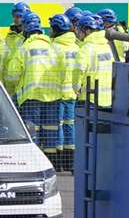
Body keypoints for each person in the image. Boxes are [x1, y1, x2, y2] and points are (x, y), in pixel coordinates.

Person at [13, 13, 64, 159]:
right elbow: (63, 71)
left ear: (26, 31)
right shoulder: (54, 48)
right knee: (51, 130)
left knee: (32, 130)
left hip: (32, 96)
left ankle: (33, 160)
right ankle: (52, 161)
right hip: (53, 96)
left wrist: (15, 88)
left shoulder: (25, 48)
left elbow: (13, 73)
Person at [48, 12, 81, 168]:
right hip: (73, 93)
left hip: (58, 93)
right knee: (70, 125)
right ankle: (71, 162)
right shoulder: (76, 46)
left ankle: (59, 161)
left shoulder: (53, 47)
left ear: (56, 29)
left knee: (58, 126)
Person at [74, 12, 116, 109]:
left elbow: (78, 71)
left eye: (80, 30)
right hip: (108, 99)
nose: (78, 33)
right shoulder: (108, 47)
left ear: (87, 31)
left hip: (89, 98)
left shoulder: (85, 49)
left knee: (85, 124)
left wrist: (76, 89)